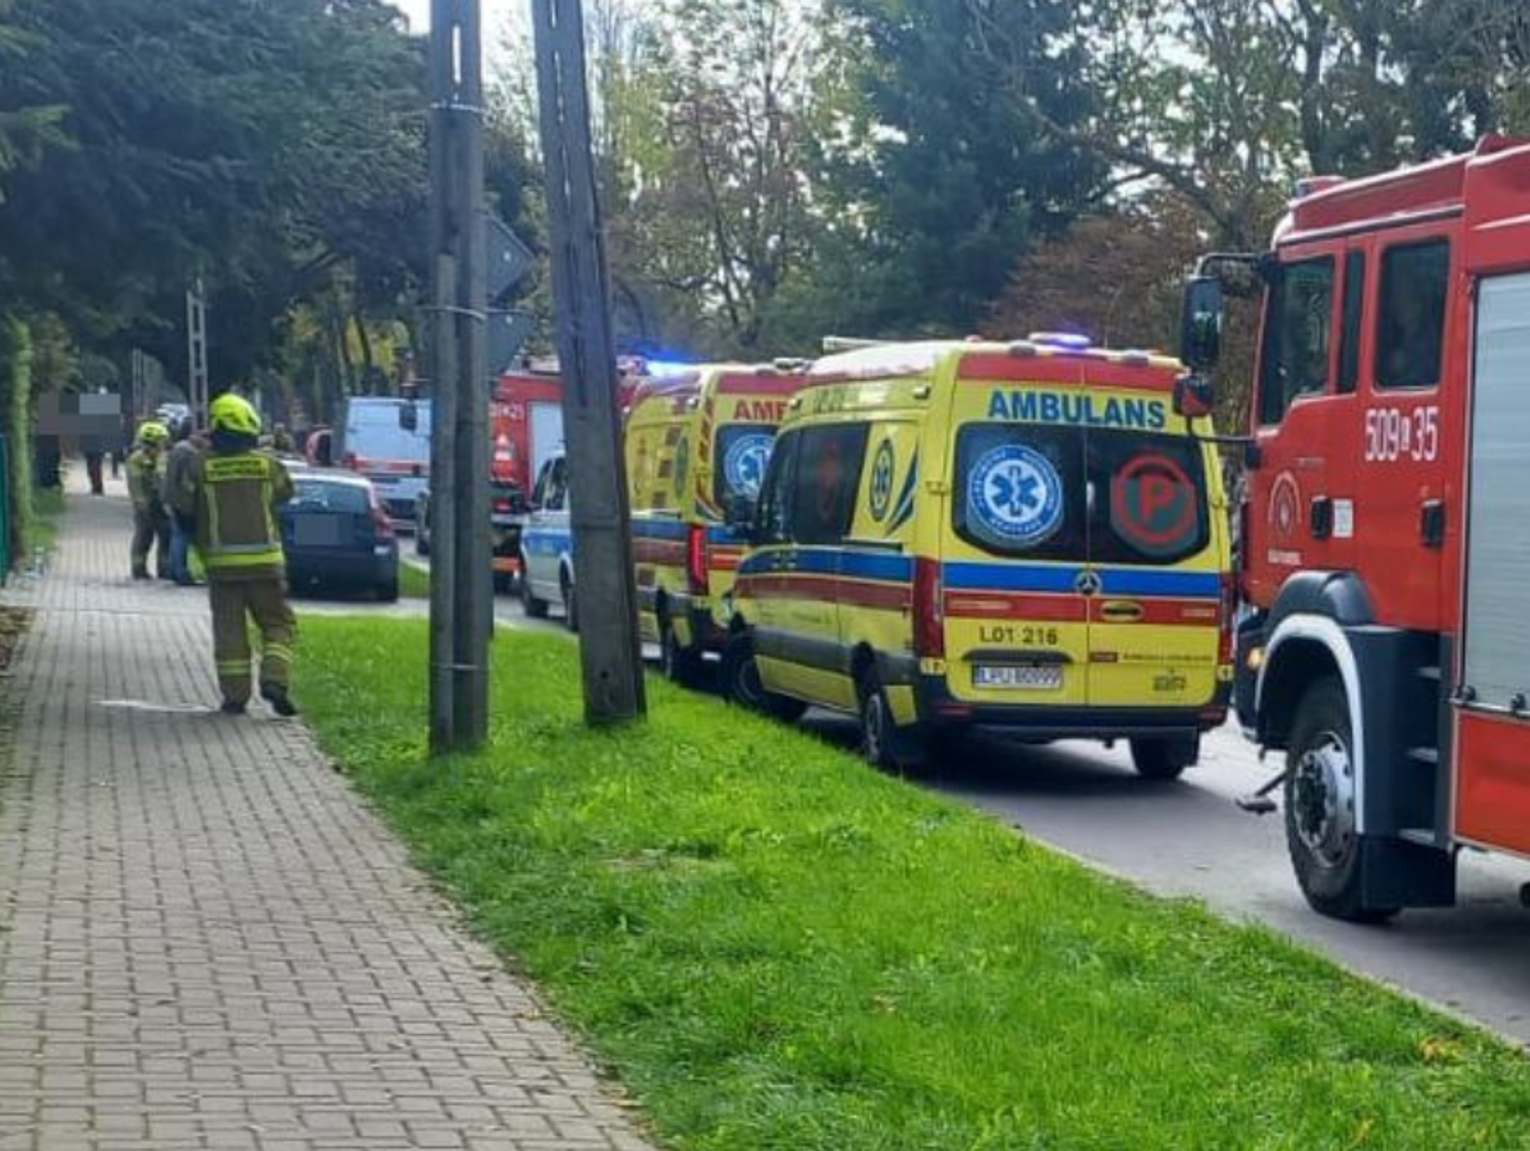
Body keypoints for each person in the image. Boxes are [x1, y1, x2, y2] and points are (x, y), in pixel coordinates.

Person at [173, 393, 298, 717]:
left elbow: (182, 505)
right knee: (278, 624)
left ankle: (235, 698)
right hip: (266, 565)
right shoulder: (268, 465)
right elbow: (285, 494)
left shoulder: (199, 466)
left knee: (229, 632)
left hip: (221, 567)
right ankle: (275, 679)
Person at [126, 421, 171, 579]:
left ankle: (164, 569)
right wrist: (140, 504)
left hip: (160, 503)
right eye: (161, 441)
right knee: (144, 536)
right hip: (145, 504)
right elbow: (135, 483)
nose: (163, 445)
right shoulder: (136, 460)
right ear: (151, 442)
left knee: (166, 535)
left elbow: (164, 480)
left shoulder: (162, 458)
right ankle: (138, 568)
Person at [162, 419, 204, 586]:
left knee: (177, 535)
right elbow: (188, 481)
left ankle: (174, 570)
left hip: (173, 498)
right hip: (184, 502)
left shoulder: (178, 448)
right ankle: (181, 572)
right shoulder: (190, 452)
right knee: (183, 537)